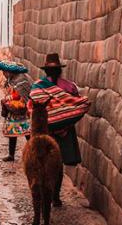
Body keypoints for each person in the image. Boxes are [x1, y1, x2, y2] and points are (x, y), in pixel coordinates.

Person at [31, 53, 85, 207]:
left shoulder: (38, 87)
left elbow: (33, 107)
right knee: (57, 165)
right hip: (63, 131)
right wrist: (64, 119)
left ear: (45, 70)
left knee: (44, 163)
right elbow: (75, 105)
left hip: (45, 133)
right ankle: (55, 196)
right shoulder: (69, 86)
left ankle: (45, 194)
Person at [0, 60, 32, 161]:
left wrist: (8, 98)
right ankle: (11, 155)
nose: (4, 74)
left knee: (28, 133)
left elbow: (21, 95)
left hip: (22, 112)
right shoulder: (12, 79)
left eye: (5, 72)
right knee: (12, 134)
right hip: (13, 111)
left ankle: (33, 153)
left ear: (10, 72)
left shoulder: (21, 80)